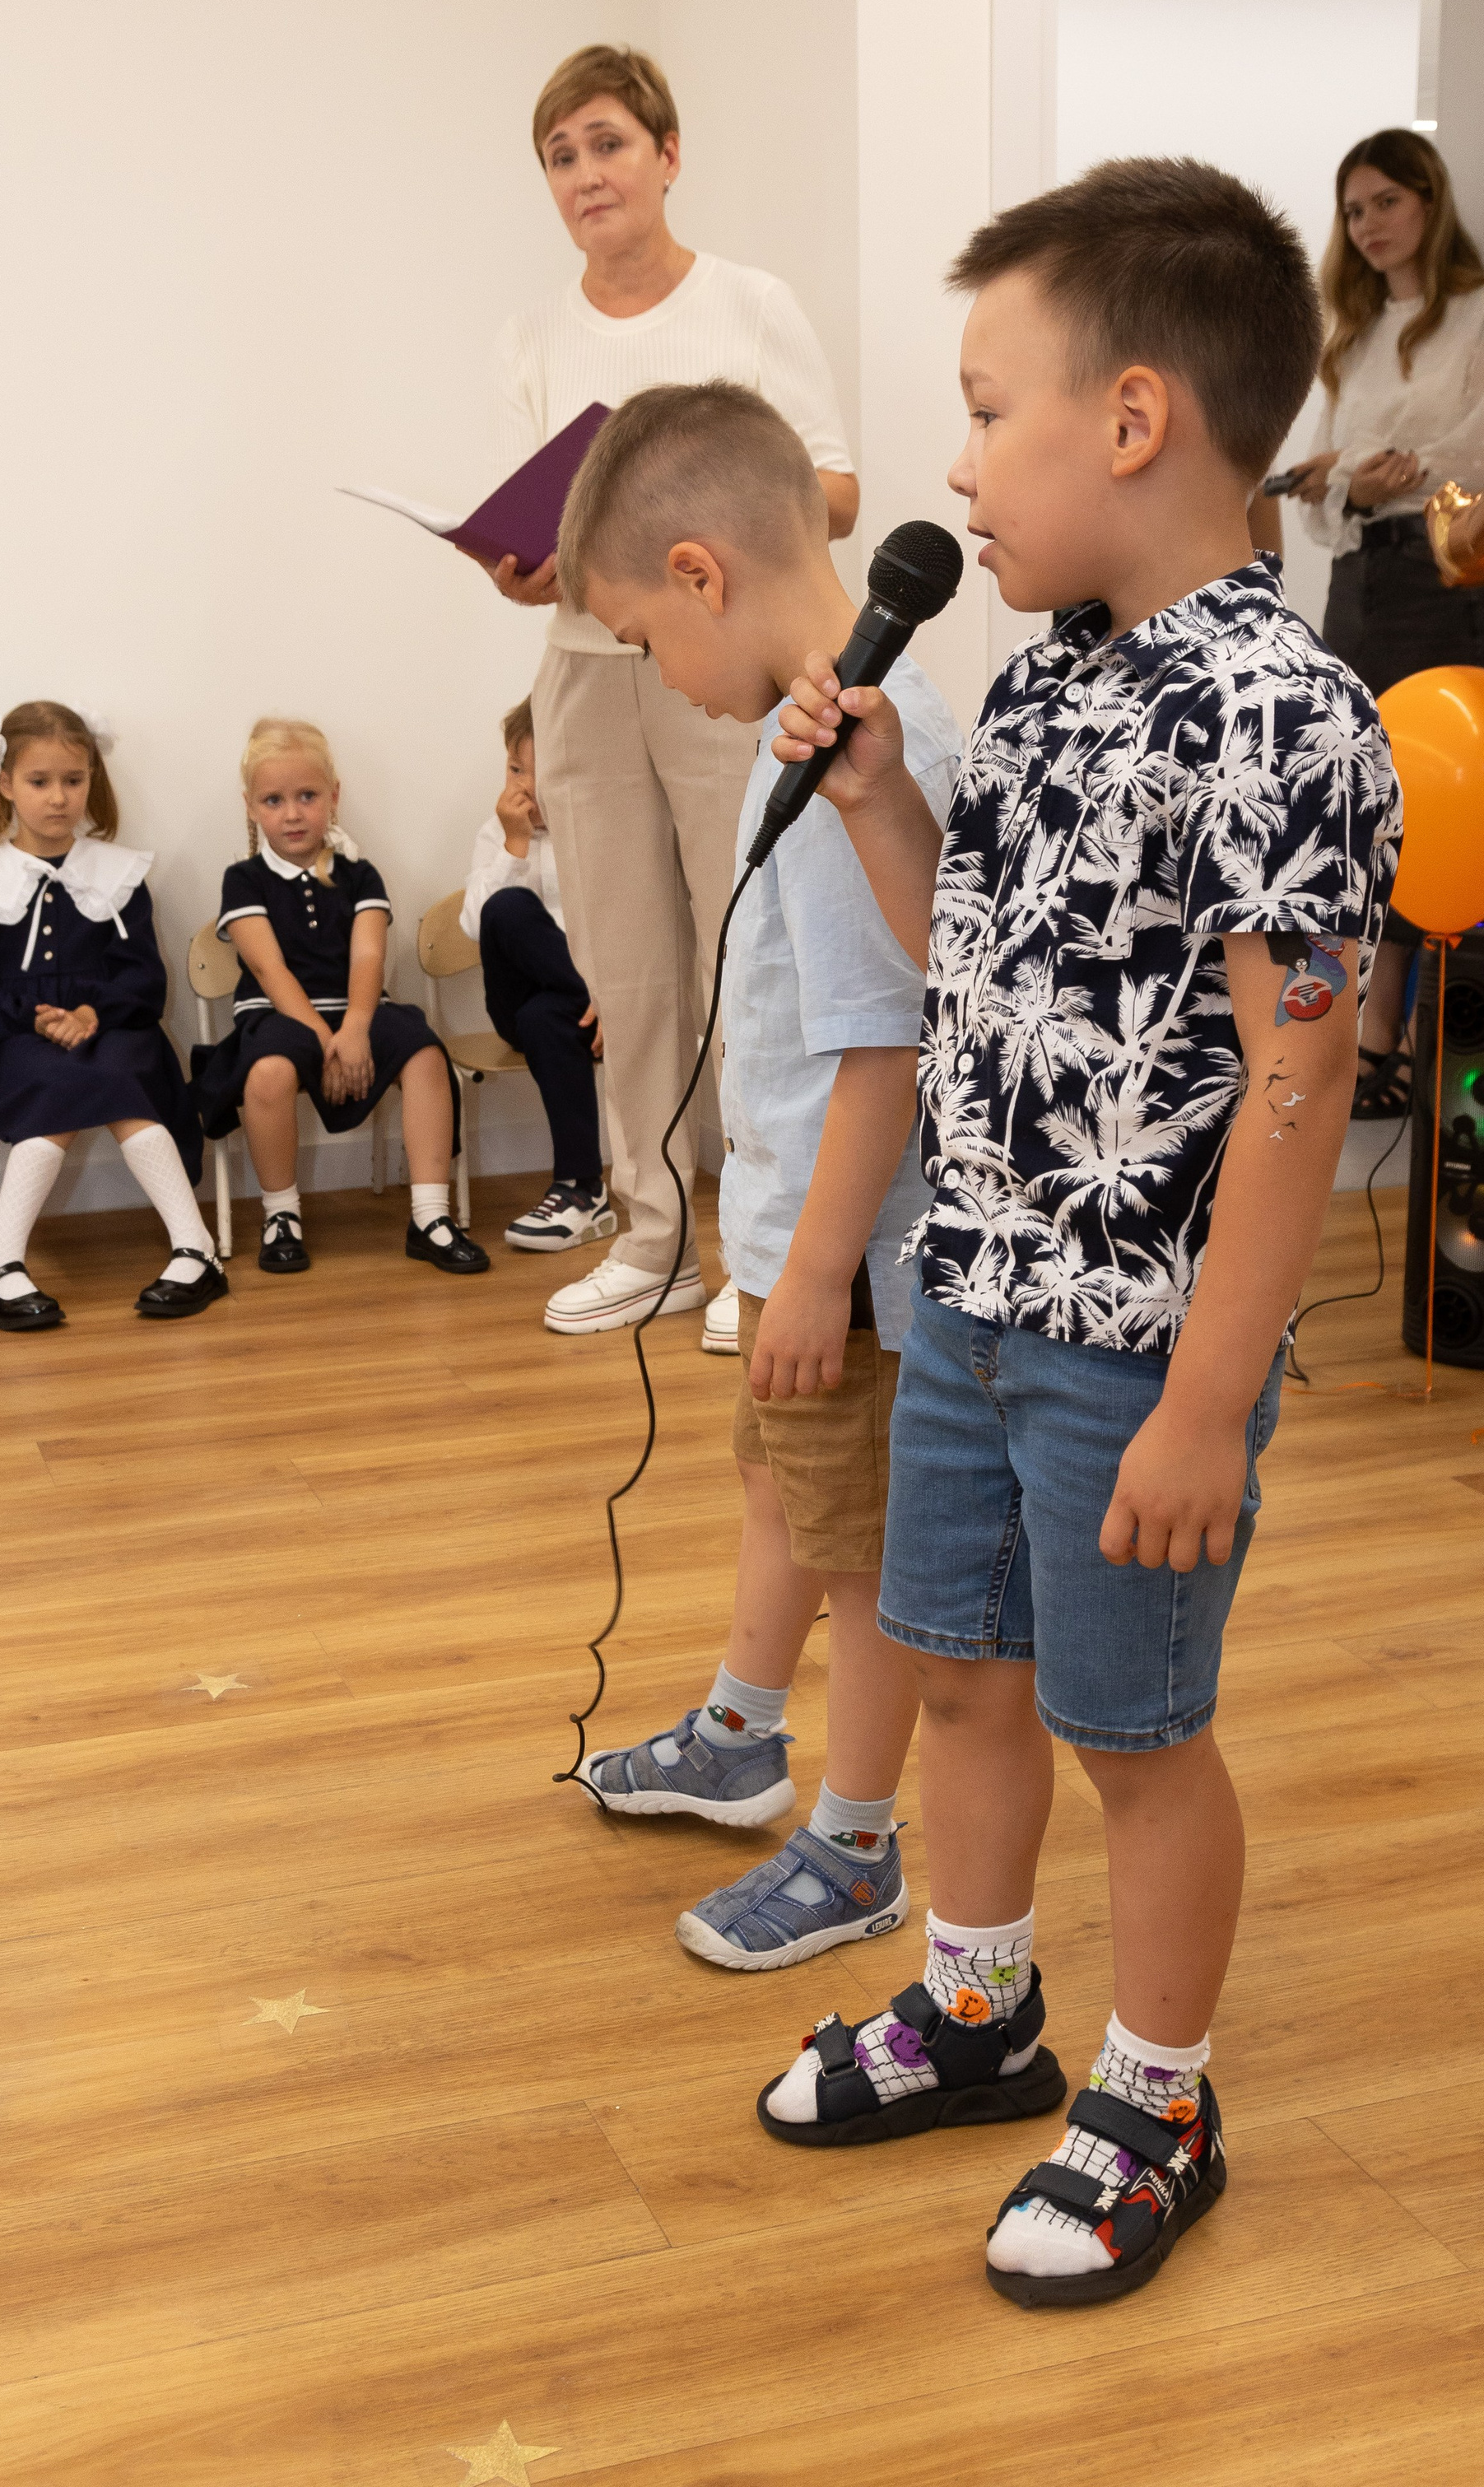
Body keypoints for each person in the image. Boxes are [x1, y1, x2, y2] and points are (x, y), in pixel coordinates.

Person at [758, 160, 1398, 2305]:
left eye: (982, 407)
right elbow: (971, 961)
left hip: (1135, 1345)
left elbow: (1299, 1077)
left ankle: (1159, 2096)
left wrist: (1208, 1401)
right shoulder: (1047, 678)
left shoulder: (1283, 713)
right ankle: (977, 2005)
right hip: (970, 1290)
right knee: (960, 1679)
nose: (951, 463)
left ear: (1132, 421)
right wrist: (879, 800)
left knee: (1133, 1731)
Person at [557, 382, 961, 1973]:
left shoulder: (870, 750)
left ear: (701, 574)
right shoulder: (813, 722)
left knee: (863, 1554)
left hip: (850, 1265)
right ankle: (740, 1733)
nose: (660, 674)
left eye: (646, 640)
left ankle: (856, 1843)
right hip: (803, 1242)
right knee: (778, 1484)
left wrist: (812, 1277)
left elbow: (889, 1045)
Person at [488, 42, 858, 1347]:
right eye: (561, 156)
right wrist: (524, 568)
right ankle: (654, 1244)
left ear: (668, 155)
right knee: (629, 971)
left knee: (750, 952)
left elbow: (835, 492)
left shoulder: (751, 306)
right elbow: (540, 543)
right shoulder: (533, 335)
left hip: (724, 671)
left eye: (607, 144)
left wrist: (692, 510)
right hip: (584, 673)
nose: (586, 174)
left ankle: (764, 1245)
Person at [1286, 129, 1484, 1117]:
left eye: (1385, 201)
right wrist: (1350, 479)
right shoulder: (1351, 334)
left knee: (1433, 807)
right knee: (1357, 807)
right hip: (1357, 582)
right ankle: (1368, 1033)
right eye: (1352, 211)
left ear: (1428, 198)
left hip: (1438, 571)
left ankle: (1408, 1038)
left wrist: (1356, 471)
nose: (1368, 225)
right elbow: (1316, 493)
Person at [0, 701, 221, 1330]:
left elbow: (145, 978)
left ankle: (195, 1249)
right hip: (19, 1041)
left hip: (116, 1030)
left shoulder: (119, 875)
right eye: (39, 781)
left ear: (93, 779)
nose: (59, 797)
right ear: (5, 783)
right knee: (54, 1082)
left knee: (123, 1077)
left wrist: (94, 1011)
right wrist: (35, 1018)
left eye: (73, 780)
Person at [195, 719, 487, 1277]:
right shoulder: (245, 879)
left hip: (358, 1008)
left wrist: (354, 1028)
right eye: (274, 800)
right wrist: (324, 1040)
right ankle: (281, 1215)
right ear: (251, 807)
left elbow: (368, 957)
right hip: (276, 1014)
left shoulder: (359, 874)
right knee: (268, 1074)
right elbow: (269, 967)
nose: (292, 813)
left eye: (307, 796)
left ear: (334, 796)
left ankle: (430, 1216)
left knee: (425, 1054)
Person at [459, 696, 613, 1252]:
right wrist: (515, 847)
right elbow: (475, 924)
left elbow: (627, 924)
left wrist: (612, 996)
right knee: (506, 907)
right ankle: (589, 995)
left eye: (541, 773)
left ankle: (581, 1189)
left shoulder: (602, 831)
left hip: (572, 1015)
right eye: (515, 769)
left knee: (546, 1018)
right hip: (521, 1000)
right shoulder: (495, 835)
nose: (525, 787)